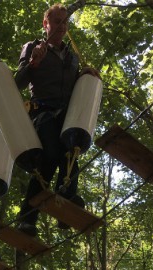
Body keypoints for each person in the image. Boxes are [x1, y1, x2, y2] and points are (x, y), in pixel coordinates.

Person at [14, 3, 99, 234]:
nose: (62, 27)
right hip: (43, 113)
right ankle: (28, 218)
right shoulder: (33, 47)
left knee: (71, 154)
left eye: (65, 22)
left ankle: (65, 202)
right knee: (50, 157)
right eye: (57, 22)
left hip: (68, 114)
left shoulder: (71, 57)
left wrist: (84, 75)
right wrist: (34, 63)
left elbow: (73, 87)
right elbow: (17, 83)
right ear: (46, 24)